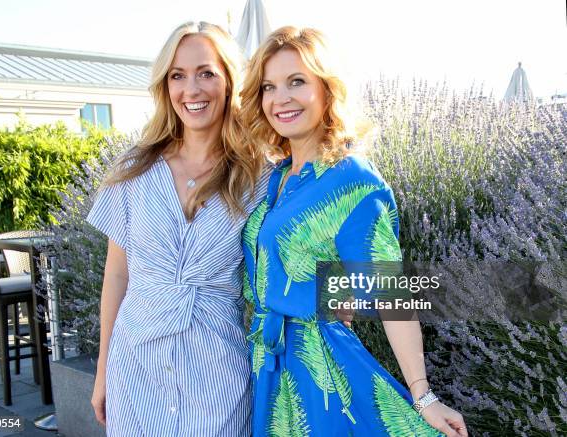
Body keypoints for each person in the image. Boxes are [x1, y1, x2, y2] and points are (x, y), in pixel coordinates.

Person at [239, 26, 468, 436]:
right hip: (270, 368)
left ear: (327, 90)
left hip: (322, 374)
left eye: (297, 82)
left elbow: (390, 291)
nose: (280, 98)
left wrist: (423, 395)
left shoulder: (353, 181)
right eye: (269, 87)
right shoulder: (276, 179)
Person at [86, 21, 267, 436]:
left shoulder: (259, 178)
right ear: (165, 86)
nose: (192, 89)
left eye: (206, 73)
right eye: (178, 75)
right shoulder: (134, 170)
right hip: (136, 371)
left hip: (219, 378)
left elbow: (298, 256)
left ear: (228, 82)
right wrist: (102, 373)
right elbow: (116, 277)